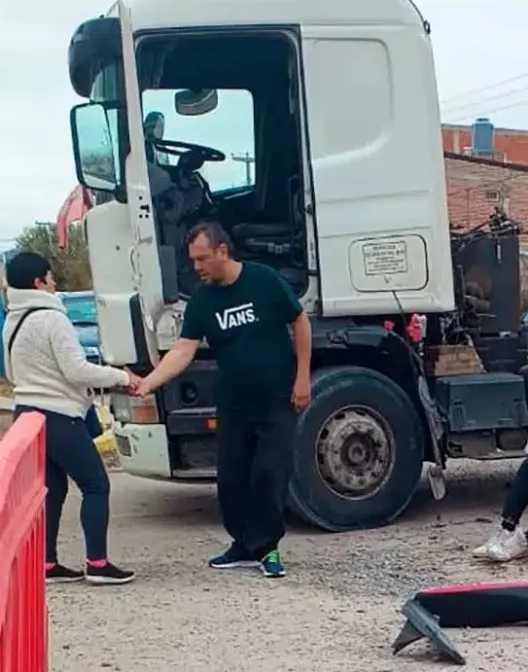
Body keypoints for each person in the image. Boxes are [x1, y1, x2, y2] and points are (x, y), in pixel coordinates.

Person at [135, 222, 312, 578]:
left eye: (202, 259)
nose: (196, 267)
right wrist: (148, 383)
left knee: (268, 474)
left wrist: (303, 376)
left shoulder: (263, 280)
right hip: (233, 402)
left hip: (277, 397)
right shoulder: (203, 298)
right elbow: (183, 350)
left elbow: (300, 321)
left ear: (222, 251)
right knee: (231, 477)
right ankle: (242, 545)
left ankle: (269, 549)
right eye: (193, 260)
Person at [2, 252, 139, 585]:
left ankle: (47, 564)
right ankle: (97, 563)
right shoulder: (52, 318)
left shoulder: (13, 320)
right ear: (39, 282)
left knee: (53, 488)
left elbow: (10, 370)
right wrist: (123, 378)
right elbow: (76, 370)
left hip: (28, 415)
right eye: (51, 277)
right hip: (59, 415)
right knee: (95, 485)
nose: (55, 283)